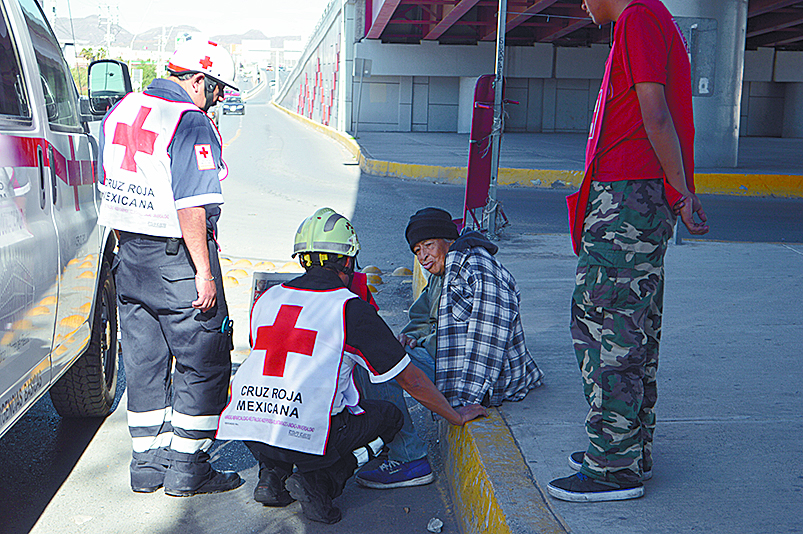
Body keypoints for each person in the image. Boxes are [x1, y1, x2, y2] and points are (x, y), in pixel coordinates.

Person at [216, 208, 487, 524]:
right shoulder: (349, 309)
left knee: (286, 402)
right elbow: (410, 379)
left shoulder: (269, 297)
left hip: (248, 429)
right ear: (348, 261)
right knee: (388, 416)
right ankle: (323, 482)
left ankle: (272, 478)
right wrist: (454, 415)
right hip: (309, 436)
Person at [549, 0, 710, 503]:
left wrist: (681, 191)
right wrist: (676, 189)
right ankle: (626, 446)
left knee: (607, 329)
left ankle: (613, 465)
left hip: (624, 197)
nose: (581, 3)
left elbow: (655, 113)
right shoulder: (651, 17)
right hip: (634, 195)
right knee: (632, 325)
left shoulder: (638, 17)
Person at [98, 39, 244, 496]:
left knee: (143, 362)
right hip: (177, 260)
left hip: (130, 257)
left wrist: (130, 248)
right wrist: (203, 270)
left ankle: (146, 466)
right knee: (204, 360)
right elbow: (192, 205)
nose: (218, 99)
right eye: (217, 89)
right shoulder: (190, 121)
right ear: (197, 80)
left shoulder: (121, 110)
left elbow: (109, 188)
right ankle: (188, 469)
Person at [356, 207, 543, 489]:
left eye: (428, 245)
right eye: (417, 250)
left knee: (384, 366)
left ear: (448, 240)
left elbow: (487, 341)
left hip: (485, 380)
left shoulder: (478, 269)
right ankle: (392, 441)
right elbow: (421, 317)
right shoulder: (445, 269)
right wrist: (411, 337)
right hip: (445, 361)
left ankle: (409, 458)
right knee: (368, 358)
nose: (423, 257)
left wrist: (461, 403)